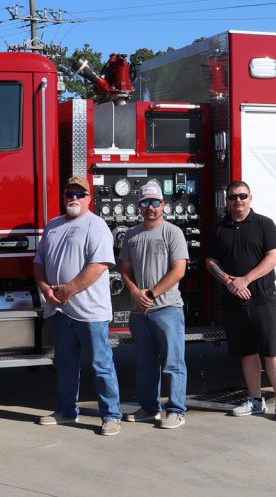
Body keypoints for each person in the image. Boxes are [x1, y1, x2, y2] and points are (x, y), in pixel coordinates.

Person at [34, 176, 122, 436]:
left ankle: (111, 415)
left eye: (79, 194)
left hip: (90, 312)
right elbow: (38, 263)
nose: (73, 198)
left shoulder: (96, 226)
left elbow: (99, 266)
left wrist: (68, 290)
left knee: (101, 364)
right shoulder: (52, 226)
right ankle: (66, 410)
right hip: (60, 310)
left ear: (89, 198)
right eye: (69, 193)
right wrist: (45, 288)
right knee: (66, 364)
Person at [205, 180, 276, 421]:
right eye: (233, 197)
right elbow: (210, 262)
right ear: (227, 201)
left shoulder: (264, 224)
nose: (238, 201)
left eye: (242, 196)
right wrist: (228, 282)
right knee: (247, 353)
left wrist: (245, 279)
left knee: (271, 351)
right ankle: (255, 401)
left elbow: (273, 257)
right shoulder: (220, 228)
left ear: (250, 198)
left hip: (263, 298)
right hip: (233, 301)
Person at [118, 182, 189, 429]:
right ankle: (149, 408)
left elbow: (179, 270)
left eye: (155, 202)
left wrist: (151, 293)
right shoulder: (131, 235)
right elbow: (124, 269)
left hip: (167, 308)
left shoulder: (173, 233)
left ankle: (176, 410)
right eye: (145, 203)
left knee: (173, 363)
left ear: (163, 205)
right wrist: (135, 292)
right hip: (140, 312)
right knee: (146, 363)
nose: (150, 207)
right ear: (138, 206)